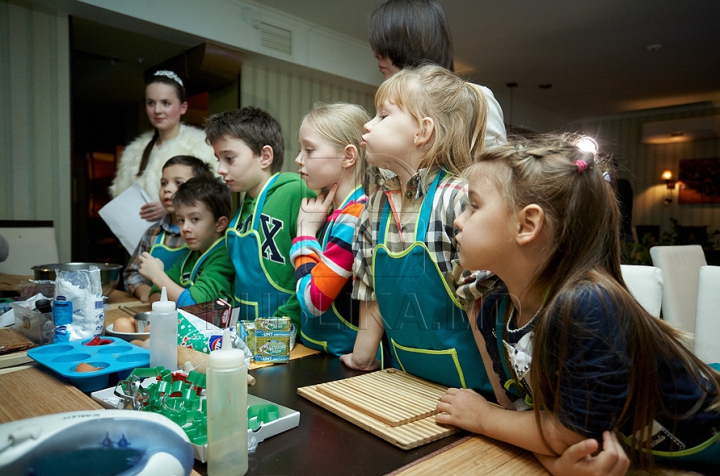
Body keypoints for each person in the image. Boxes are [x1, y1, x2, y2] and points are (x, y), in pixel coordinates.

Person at [437, 134, 720, 475]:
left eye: (475, 205)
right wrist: (559, 463)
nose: (458, 219)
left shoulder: (588, 307)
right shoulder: (496, 310)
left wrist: (482, 418)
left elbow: (565, 433)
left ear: (527, 224)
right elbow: (530, 420)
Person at [339, 64, 495, 397]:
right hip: (406, 383)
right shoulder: (376, 204)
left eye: (383, 116)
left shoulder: (458, 199)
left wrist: (503, 405)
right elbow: (371, 293)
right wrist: (362, 358)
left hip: (473, 392)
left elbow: (480, 308)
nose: (367, 124)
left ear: (423, 131)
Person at [205, 107, 316, 332]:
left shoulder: (296, 192)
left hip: (289, 332)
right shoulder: (240, 214)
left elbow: (317, 270)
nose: (220, 169)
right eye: (218, 159)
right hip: (249, 332)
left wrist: (283, 326)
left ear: (265, 156)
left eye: (229, 158)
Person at [290, 102, 380, 357]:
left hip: (340, 358)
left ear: (348, 156)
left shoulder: (354, 216)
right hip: (318, 351)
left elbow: (314, 301)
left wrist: (305, 235)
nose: (298, 159)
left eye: (309, 149)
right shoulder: (334, 214)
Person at [368, 0, 506, 149]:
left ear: (410, 43)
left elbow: (498, 168)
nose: (375, 54)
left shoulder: (474, 100)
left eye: (383, 47)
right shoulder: (391, 109)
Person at [109, 70, 217, 223]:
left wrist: (170, 209)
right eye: (151, 103)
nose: (157, 110)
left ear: (183, 107)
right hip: (145, 241)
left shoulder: (201, 147)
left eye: (166, 103)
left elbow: (215, 200)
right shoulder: (134, 153)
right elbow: (122, 204)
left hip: (189, 241)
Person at [123, 155, 215, 302]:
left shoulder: (204, 238)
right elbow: (133, 272)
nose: (168, 189)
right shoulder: (153, 233)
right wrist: (146, 293)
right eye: (164, 183)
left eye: (179, 183)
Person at [139, 175, 234, 307]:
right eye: (181, 220)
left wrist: (157, 276)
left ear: (220, 224)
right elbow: (155, 295)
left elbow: (197, 307)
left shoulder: (224, 256)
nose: (185, 228)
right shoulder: (189, 255)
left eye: (195, 219)